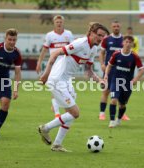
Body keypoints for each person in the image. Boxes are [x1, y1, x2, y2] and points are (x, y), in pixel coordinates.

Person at [38, 22, 109, 152]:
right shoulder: (80, 43)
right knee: (75, 113)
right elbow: (55, 54)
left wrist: (99, 80)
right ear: (92, 33)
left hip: (66, 81)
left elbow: (88, 71)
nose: (100, 39)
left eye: (103, 37)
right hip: (57, 79)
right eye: (99, 35)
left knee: (70, 114)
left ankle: (57, 144)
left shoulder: (93, 49)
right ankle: (45, 128)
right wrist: (46, 74)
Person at [36, 15, 74, 119]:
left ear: (63, 22)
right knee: (54, 88)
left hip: (66, 66)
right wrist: (39, 62)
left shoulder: (68, 34)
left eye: (60, 22)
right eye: (57, 22)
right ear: (54, 23)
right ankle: (57, 114)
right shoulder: (50, 35)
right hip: (54, 66)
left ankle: (65, 109)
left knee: (68, 90)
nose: (59, 23)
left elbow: (73, 48)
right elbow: (44, 50)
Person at [104, 35, 144, 128]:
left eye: (130, 42)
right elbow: (109, 65)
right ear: (123, 43)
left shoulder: (134, 56)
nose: (127, 44)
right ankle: (111, 121)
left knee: (122, 104)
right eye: (126, 42)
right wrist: (106, 75)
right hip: (116, 81)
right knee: (113, 100)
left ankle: (118, 119)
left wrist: (135, 79)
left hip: (127, 84)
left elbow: (142, 69)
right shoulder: (116, 54)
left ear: (132, 45)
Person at [98, 20, 130, 121]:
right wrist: (102, 64)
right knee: (106, 91)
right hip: (109, 69)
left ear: (120, 27)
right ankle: (102, 113)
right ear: (111, 27)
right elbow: (101, 53)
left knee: (121, 93)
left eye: (117, 26)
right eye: (114, 26)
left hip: (121, 71)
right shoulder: (106, 39)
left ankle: (122, 114)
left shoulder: (124, 39)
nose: (116, 28)